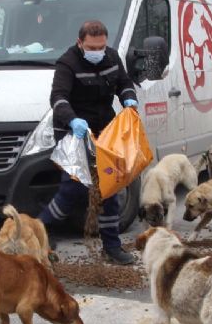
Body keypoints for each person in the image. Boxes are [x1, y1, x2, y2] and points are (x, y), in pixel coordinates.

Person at [39, 19, 138, 265]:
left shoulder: (112, 58)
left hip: (104, 128)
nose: (97, 52)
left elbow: (124, 83)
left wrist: (129, 99)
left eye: (101, 47)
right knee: (73, 188)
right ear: (80, 43)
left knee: (110, 186)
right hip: (73, 129)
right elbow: (58, 97)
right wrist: (73, 120)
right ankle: (40, 230)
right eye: (92, 48)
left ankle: (111, 246)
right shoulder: (67, 63)